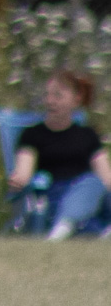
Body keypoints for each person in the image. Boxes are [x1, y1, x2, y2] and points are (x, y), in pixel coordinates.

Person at [8, 70, 111, 241]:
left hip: (89, 195)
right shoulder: (33, 134)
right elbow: (24, 170)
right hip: (54, 195)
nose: (50, 101)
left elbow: (106, 177)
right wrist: (18, 180)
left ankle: (69, 226)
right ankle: (66, 225)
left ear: (76, 99)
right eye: (47, 95)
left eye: (58, 96)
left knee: (93, 183)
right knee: (92, 183)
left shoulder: (88, 135)